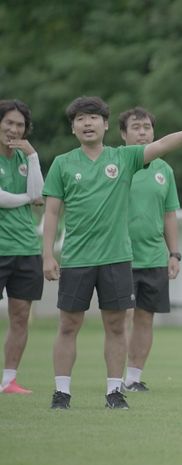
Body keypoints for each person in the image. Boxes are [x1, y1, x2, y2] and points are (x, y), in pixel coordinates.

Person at [42, 96, 182, 410]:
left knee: (115, 325)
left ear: (106, 125)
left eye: (93, 118)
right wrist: (47, 254)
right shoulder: (63, 164)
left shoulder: (123, 158)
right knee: (68, 325)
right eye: (81, 119)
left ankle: (114, 390)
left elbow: (163, 145)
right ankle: (62, 392)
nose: (87, 123)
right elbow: (53, 213)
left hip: (116, 258)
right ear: (73, 127)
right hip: (77, 259)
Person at [119, 107, 181, 393]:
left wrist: (174, 253)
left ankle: (133, 377)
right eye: (136, 127)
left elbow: (170, 215)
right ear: (123, 134)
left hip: (154, 257)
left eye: (147, 127)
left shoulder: (164, 170)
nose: (142, 132)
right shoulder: (116, 164)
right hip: (119, 255)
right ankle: (114, 377)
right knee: (123, 317)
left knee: (145, 318)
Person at [0, 99, 44, 395]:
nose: (14, 129)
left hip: (27, 247)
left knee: (20, 315)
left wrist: (33, 156)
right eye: (9, 123)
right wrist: (29, 199)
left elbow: (40, 192)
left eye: (20, 125)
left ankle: (8, 380)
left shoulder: (24, 157)